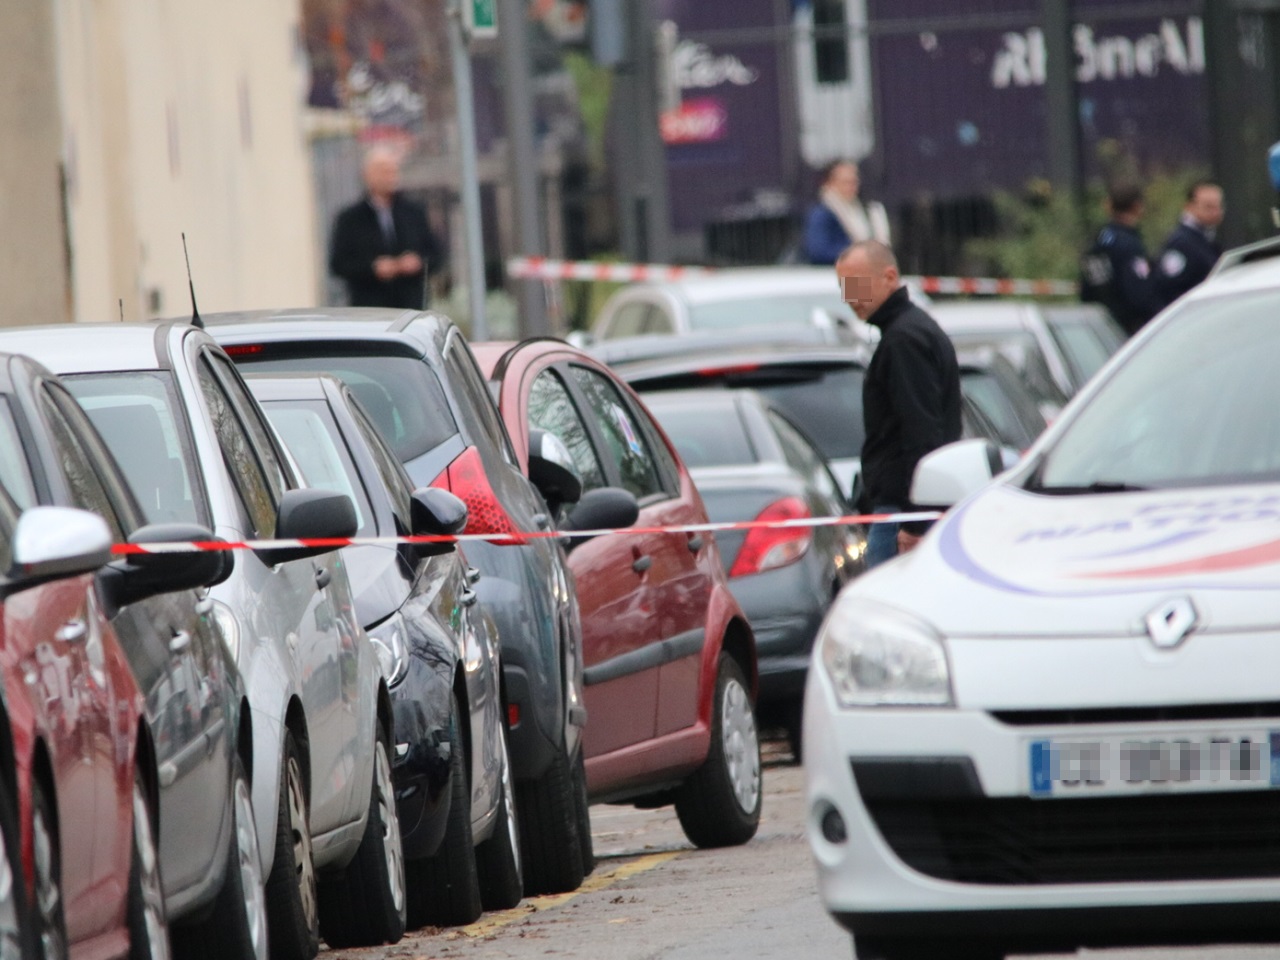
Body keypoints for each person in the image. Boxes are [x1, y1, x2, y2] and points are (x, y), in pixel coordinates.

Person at [838, 241, 961, 567]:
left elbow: (921, 432)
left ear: (889, 277)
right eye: (843, 288)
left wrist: (916, 523)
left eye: (855, 285)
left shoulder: (903, 341)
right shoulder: (907, 332)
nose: (849, 298)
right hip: (905, 510)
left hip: (902, 514)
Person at [329, 145, 445, 309]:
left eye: (393, 170)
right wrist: (373, 268)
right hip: (370, 308)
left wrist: (417, 262)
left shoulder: (414, 213)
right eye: (384, 171)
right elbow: (339, 264)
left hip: (410, 307)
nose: (391, 176)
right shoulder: (350, 219)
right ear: (368, 175)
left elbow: (436, 255)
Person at [1079, 182, 1163, 337]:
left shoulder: (1096, 240)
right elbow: (1139, 294)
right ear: (1138, 207)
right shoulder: (1129, 245)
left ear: (1108, 205)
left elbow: (1086, 289)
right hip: (1126, 329)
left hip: (1097, 328)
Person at [803, 160, 891, 265]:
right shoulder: (822, 214)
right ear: (830, 183)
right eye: (845, 182)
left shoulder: (867, 210)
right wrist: (859, 254)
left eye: (854, 182)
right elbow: (818, 251)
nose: (851, 187)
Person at [1155, 179, 1224, 306]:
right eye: (1208, 207)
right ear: (1189, 207)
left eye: (1218, 206)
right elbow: (1169, 290)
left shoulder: (1206, 238)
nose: (1216, 212)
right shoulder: (1181, 244)